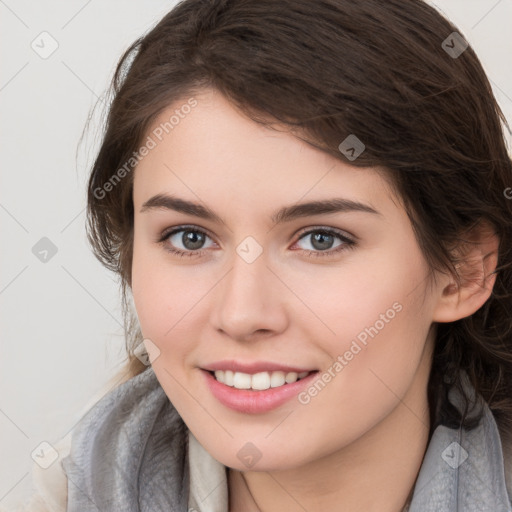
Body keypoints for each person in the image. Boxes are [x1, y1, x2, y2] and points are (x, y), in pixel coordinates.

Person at [5, 0, 512, 510]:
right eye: (190, 237)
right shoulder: (73, 488)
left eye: (321, 239)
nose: (242, 314)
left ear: (462, 272)